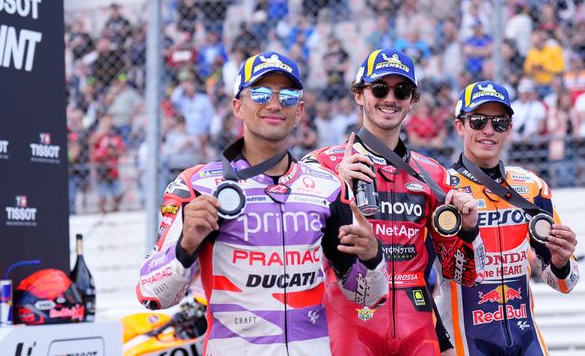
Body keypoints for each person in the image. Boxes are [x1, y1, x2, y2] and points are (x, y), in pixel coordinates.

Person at [137, 52, 389, 356]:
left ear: (300, 111)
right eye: (259, 93)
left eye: (287, 95)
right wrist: (185, 247)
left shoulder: (328, 186)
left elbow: (367, 297)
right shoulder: (196, 185)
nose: (274, 104)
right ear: (237, 107)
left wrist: (373, 257)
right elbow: (151, 293)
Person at [304, 48, 485, 356]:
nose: (390, 98)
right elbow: (295, 249)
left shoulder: (433, 174)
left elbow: (463, 274)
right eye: (379, 89)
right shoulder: (321, 165)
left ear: (412, 100)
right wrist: (334, 188)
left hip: (416, 323)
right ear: (359, 95)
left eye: (401, 91)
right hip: (348, 319)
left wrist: (468, 231)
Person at [439, 80, 580, 356]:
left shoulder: (531, 187)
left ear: (509, 130)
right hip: (466, 344)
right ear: (460, 126)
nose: (488, 130)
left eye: (499, 123)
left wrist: (561, 262)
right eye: (478, 121)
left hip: (526, 340)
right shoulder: (441, 187)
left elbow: (565, 283)